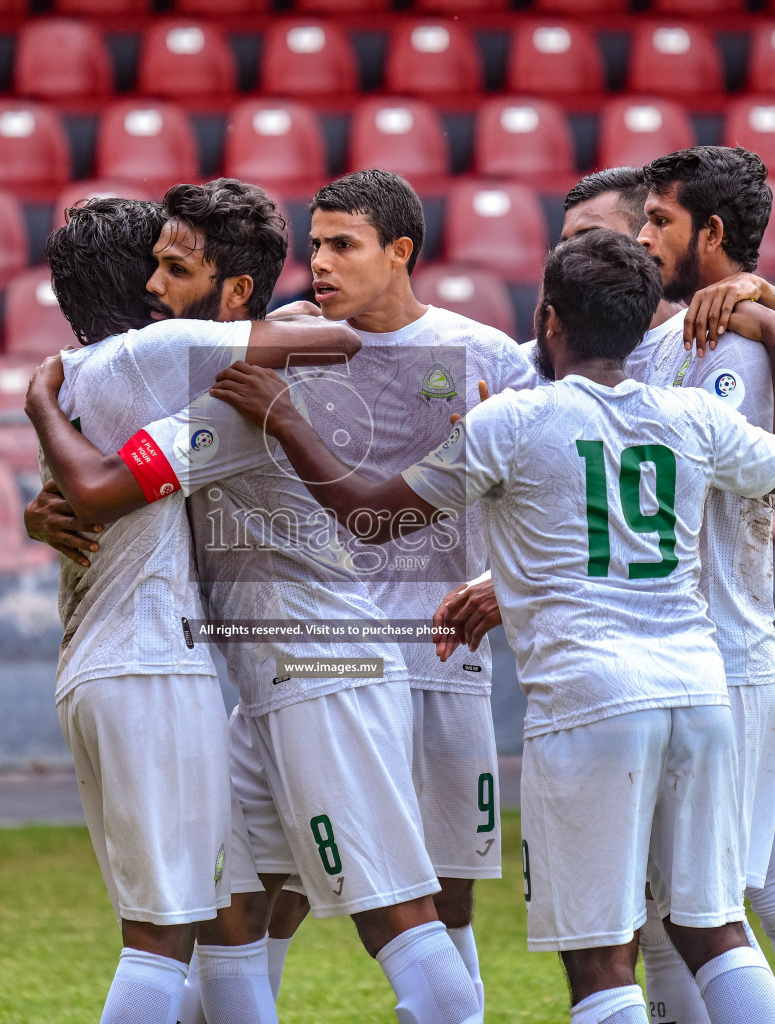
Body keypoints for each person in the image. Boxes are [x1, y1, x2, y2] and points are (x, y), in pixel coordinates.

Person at [207, 227, 775, 1024]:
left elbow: (366, 517)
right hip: (699, 693)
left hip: (590, 699)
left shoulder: (515, 423)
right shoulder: (690, 417)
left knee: (601, 959)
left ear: (548, 319)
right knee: (713, 928)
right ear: (640, 327)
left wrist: (288, 418)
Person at [30, 179, 483, 1024]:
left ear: (234, 296)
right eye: (152, 267)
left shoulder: (236, 399)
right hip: (267, 684)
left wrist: (45, 421)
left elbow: (107, 485)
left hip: (327, 670)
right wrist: (42, 506)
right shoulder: (203, 376)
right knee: (230, 913)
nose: (152, 289)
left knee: (393, 914)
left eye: (174, 269)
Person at [440, 154, 775, 1024]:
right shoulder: (644, 348)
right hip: (682, 654)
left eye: (628, 231)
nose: (622, 249)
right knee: (688, 917)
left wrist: (767, 304)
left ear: (692, 233)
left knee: (756, 900)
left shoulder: (723, 336)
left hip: (717, 646)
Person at [249, 170, 535, 1011]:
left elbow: (548, 484)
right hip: (317, 660)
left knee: (448, 886)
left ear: (400, 252)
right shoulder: (284, 344)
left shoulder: (485, 356)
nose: (321, 265)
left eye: (343, 245)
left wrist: (498, 583)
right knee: (278, 880)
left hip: (439, 655)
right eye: (315, 247)